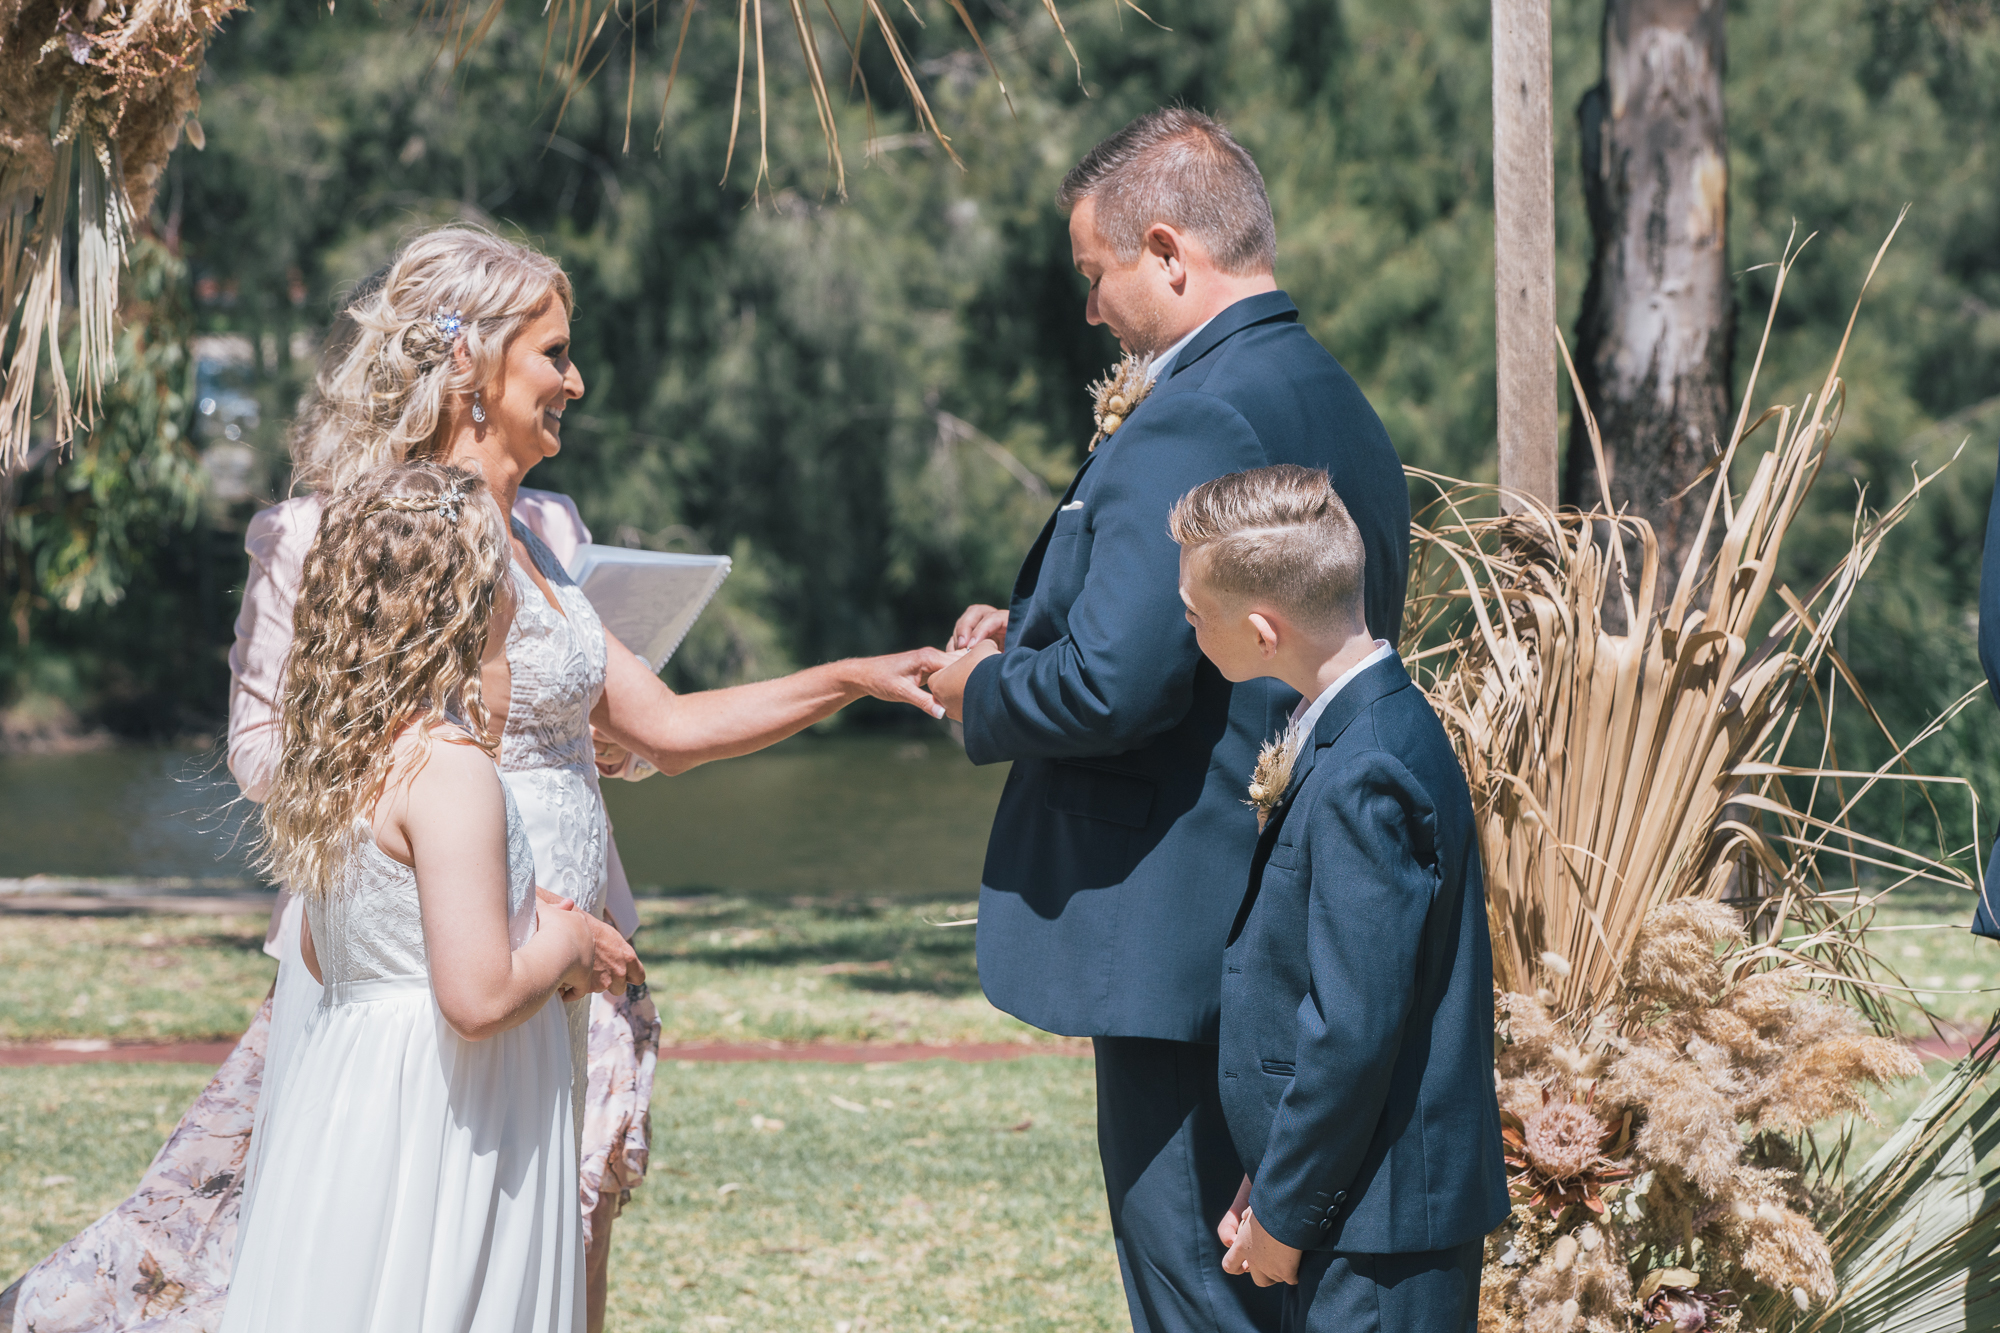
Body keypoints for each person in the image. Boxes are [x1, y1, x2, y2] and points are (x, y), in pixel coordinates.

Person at [0, 226, 951, 1333]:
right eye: (554, 354)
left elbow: (670, 728)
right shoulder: (348, 532)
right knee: (401, 1244)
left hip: (568, 947)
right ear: (472, 362)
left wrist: (850, 679)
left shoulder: (544, 538)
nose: (574, 382)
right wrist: (461, 823)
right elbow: (268, 752)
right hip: (437, 953)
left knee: (560, 1235)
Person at [927, 109, 1410, 1333]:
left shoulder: (1194, 411)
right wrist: (1034, 618)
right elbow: (1200, 634)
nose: (1091, 310)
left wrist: (976, 692)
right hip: (1296, 910)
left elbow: (1114, 683)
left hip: (1183, 935)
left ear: (1165, 251)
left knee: (1196, 1292)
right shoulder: (1330, 395)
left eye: (1095, 275)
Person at [223, 460, 599, 1333]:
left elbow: (324, 953)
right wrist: (569, 944)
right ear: (467, 602)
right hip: (452, 1107)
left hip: (356, 1087)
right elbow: (477, 998)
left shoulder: (345, 758)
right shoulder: (448, 767)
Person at [1168, 465, 1508, 1332]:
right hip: (1352, 1198)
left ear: (1261, 631)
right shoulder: (1358, 726)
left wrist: (1287, 1214)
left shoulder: (1369, 768)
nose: (1187, 626)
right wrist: (1274, 1171)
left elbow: (1353, 1026)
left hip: (1379, 1230)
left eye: (1195, 614)